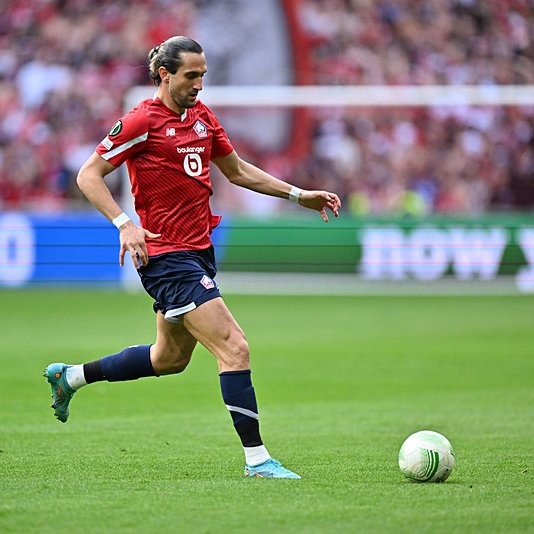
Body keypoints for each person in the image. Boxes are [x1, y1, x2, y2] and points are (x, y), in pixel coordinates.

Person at [44, 36, 341, 479]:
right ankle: (257, 461)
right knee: (234, 347)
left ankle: (70, 377)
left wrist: (298, 194)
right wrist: (125, 224)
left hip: (199, 251)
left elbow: (237, 171)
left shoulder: (202, 117)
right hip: (166, 256)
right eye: (191, 76)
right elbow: (89, 175)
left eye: (203, 75)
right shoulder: (141, 120)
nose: (199, 84)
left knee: (169, 359)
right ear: (164, 74)